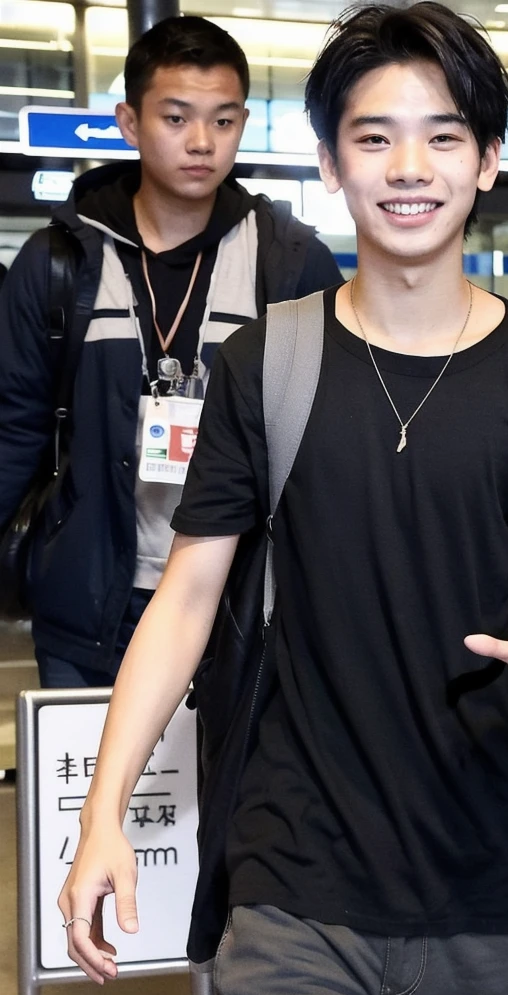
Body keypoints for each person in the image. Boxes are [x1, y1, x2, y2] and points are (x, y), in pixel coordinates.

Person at [58, 5, 508, 995]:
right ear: (329, 162)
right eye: (374, 136)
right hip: (293, 890)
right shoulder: (263, 362)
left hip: (489, 894)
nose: (408, 164)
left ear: (486, 161)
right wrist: (102, 815)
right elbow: (185, 601)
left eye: (442, 135)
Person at [0, 17, 342, 686]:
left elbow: (332, 436)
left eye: (222, 121)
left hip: (242, 604)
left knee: (225, 792)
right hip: (90, 604)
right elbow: (15, 427)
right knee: (99, 789)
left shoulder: (288, 261)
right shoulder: (60, 263)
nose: (201, 143)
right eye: (176, 117)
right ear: (130, 122)